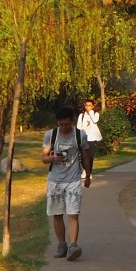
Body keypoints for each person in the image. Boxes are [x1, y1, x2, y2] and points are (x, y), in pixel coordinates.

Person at [42, 105, 94, 259]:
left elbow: (86, 156)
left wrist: (88, 175)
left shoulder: (80, 135)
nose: (64, 127)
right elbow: (44, 158)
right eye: (61, 124)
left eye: (67, 124)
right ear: (57, 123)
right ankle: (61, 244)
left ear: (72, 121)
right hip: (55, 181)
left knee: (73, 214)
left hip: (73, 180)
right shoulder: (50, 135)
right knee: (57, 214)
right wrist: (52, 158)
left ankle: (73, 246)